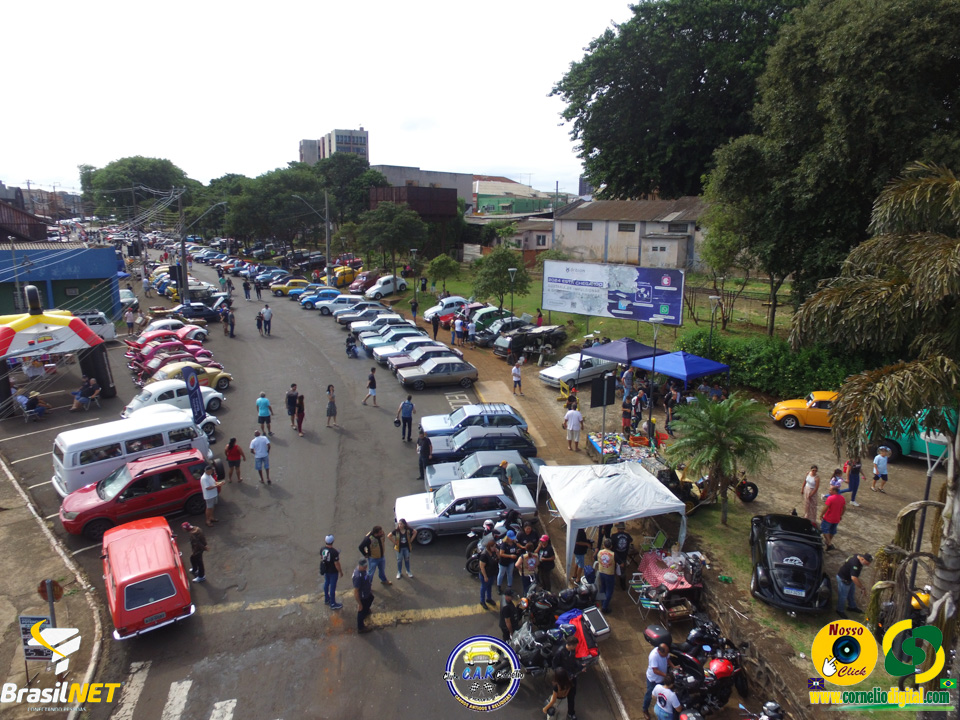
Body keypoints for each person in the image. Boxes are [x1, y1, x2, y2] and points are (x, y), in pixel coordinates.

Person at [552, 636, 583, 720]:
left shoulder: (572, 651)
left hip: (572, 677)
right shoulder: (560, 652)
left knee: (572, 695)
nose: (576, 647)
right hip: (564, 679)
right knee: (561, 697)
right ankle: (554, 710)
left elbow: (573, 662)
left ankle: (571, 713)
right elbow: (555, 666)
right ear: (571, 645)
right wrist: (564, 675)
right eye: (575, 645)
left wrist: (580, 667)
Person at [644, 644, 677, 719]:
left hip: (661, 678)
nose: (666, 655)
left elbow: (668, 659)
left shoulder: (665, 652)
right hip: (653, 679)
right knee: (649, 695)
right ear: (660, 652)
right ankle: (645, 709)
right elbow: (655, 670)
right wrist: (666, 675)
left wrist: (673, 667)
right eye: (665, 654)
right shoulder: (654, 656)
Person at [836, 552, 873, 619]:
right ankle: (839, 610)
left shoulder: (857, 556)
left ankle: (852, 607)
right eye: (867, 563)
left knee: (851, 593)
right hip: (844, 579)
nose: (868, 565)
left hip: (850, 579)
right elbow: (854, 577)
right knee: (843, 596)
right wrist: (862, 587)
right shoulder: (855, 564)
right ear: (862, 559)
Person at [320, 534, 344, 609]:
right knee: (332, 587)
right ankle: (333, 604)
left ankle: (326, 599)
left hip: (326, 570)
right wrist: (340, 572)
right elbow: (336, 563)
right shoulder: (334, 552)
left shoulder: (322, 549)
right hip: (333, 571)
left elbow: (323, 557)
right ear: (333, 541)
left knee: (326, 584)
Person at [820, 484, 846, 551]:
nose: (829, 491)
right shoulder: (842, 498)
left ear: (834, 491)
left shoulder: (830, 498)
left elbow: (826, 508)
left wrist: (821, 514)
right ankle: (828, 543)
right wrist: (840, 515)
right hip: (836, 518)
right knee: (832, 531)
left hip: (829, 518)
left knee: (824, 529)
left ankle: (829, 543)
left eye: (830, 490)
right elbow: (844, 508)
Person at [353, 558, 375, 633]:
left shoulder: (363, 570)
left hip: (367, 592)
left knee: (371, 598)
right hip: (363, 596)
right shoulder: (358, 576)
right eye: (364, 566)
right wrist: (359, 604)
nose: (366, 567)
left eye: (366, 565)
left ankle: (366, 610)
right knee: (361, 610)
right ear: (360, 566)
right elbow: (356, 591)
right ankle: (361, 627)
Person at [610, 522, 634, 590]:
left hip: (615, 556)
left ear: (618, 529)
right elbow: (631, 540)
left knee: (612, 570)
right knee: (622, 572)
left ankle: (612, 584)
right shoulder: (627, 535)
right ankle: (623, 586)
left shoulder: (614, 536)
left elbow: (611, 545)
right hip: (623, 556)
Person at [596, 538, 616, 613]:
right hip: (609, 573)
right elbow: (621, 564)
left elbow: (597, 559)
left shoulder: (600, 552)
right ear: (611, 546)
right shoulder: (613, 554)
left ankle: (602, 601)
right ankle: (604, 607)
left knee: (603, 587)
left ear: (604, 545)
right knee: (609, 590)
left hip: (601, 571)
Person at [478, 538, 497, 609]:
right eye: (493, 547)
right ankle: (482, 601)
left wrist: (497, 552)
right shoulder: (484, 555)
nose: (495, 548)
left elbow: (497, 559)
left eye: (495, 547)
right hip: (485, 575)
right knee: (484, 587)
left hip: (492, 573)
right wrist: (485, 576)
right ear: (489, 547)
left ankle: (489, 599)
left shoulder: (494, 552)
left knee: (489, 587)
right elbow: (482, 567)